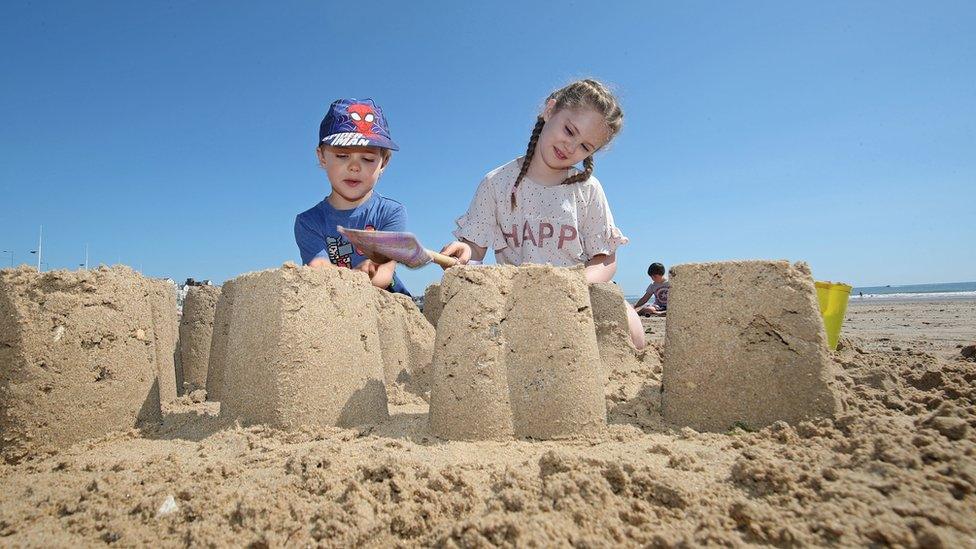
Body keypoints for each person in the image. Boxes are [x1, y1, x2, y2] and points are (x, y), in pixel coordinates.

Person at [440, 79, 645, 349]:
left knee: (633, 329)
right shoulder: (496, 183)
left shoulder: (588, 189)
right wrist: (463, 251)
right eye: (569, 130)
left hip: (577, 294)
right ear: (550, 111)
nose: (571, 148)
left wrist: (571, 284)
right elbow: (474, 248)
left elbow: (605, 260)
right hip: (516, 297)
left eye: (585, 147)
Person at [294, 98, 411, 296]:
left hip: (385, 308)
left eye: (367, 158)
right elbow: (319, 270)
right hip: (335, 307)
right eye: (342, 156)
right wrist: (355, 277)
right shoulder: (309, 222)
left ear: (384, 163)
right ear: (322, 157)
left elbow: (384, 272)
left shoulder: (391, 213)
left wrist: (371, 272)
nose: (354, 167)